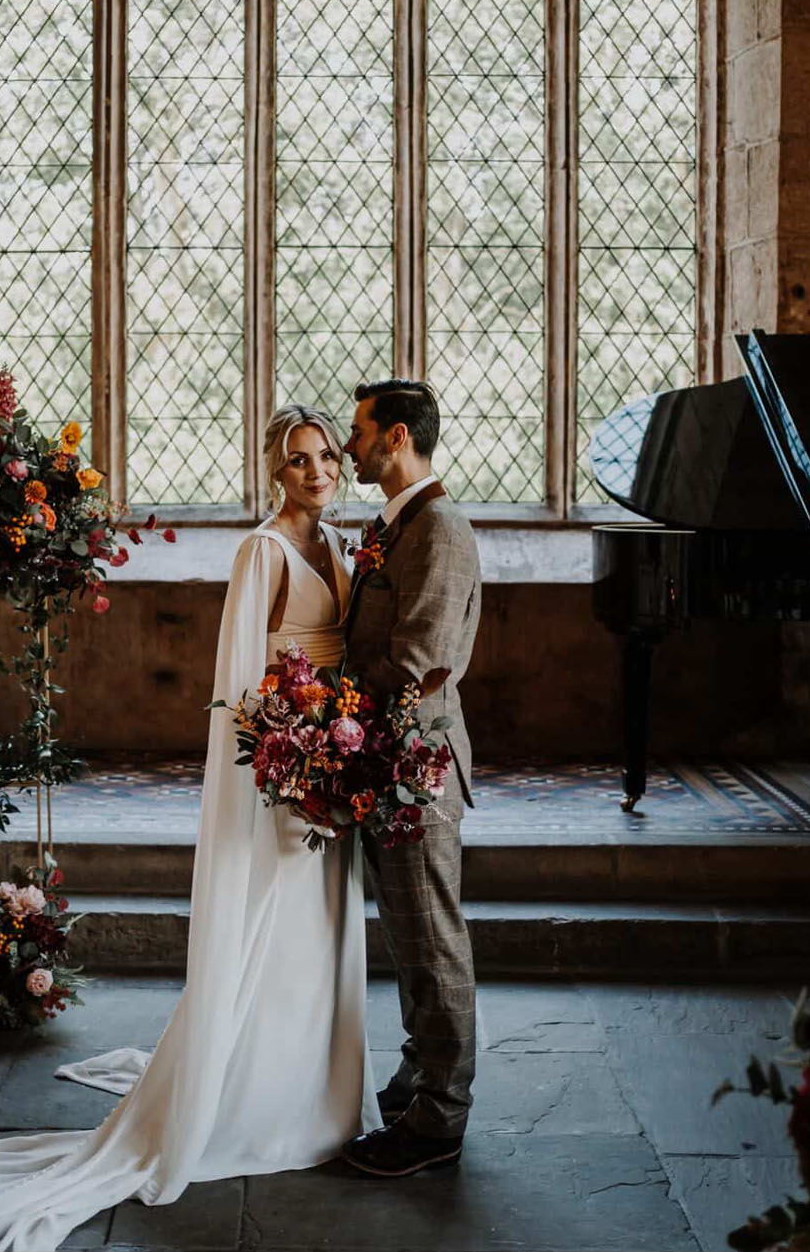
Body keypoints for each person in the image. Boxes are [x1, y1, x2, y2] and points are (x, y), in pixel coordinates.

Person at [0, 404, 381, 1252]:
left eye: (326, 454)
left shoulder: (339, 544)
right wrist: (286, 776)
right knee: (276, 937)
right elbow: (242, 691)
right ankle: (259, 1100)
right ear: (273, 471)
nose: (316, 469)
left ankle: (314, 1089)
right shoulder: (265, 550)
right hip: (287, 778)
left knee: (319, 937)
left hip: (332, 761)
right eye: (298, 460)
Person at [340, 378, 481, 1178]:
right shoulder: (397, 525)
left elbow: (418, 661)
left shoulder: (439, 529)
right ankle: (419, 1072)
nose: (351, 446)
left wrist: (327, 707)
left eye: (359, 432)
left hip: (415, 767)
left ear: (395, 437)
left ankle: (439, 1120)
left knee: (432, 938)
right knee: (406, 933)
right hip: (386, 761)